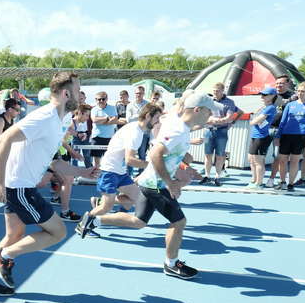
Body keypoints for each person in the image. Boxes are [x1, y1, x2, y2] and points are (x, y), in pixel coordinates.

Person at [0, 72, 96, 295]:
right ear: (66, 93)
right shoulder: (44, 117)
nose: (81, 95)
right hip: (19, 187)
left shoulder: (59, 121)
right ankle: (4, 256)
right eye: (78, 90)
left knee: (13, 236)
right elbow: (4, 139)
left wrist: (83, 171)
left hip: (20, 185)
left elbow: (55, 162)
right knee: (58, 232)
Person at [77, 93, 219, 279]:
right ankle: (171, 264)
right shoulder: (177, 129)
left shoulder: (179, 123)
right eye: (209, 111)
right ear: (197, 110)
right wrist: (171, 183)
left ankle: (95, 220)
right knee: (179, 222)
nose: (211, 114)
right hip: (155, 185)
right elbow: (155, 154)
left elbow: (179, 111)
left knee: (139, 222)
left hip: (149, 182)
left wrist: (185, 164)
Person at [81, 103, 162, 230]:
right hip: (109, 171)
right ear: (148, 116)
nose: (158, 122)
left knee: (137, 198)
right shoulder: (135, 132)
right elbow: (130, 160)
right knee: (106, 207)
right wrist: (152, 165)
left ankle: (100, 202)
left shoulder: (138, 130)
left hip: (119, 171)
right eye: (156, 118)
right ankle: (84, 224)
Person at [275, 82, 305, 191]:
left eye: (303, 91)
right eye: (298, 91)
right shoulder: (290, 105)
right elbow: (282, 122)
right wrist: (278, 136)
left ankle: (290, 184)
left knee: (294, 160)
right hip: (286, 135)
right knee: (282, 160)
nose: (300, 93)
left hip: (301, 136)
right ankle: (282, 182)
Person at [200, 82, 242, 186]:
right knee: (207, 154)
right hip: (208, 130)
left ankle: (217, 177)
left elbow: (229, 117)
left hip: (221, 131)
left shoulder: (229, 102)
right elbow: (203, 115)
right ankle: (207, 176)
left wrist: (231, 122)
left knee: (220, 155)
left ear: (223, 91)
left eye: (217, 91)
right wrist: (212, 120)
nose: (215, 93)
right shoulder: (208, 101)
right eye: (214, 91)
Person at [266, 75, 297, 187]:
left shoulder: (294, 96)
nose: (278, 85)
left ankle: (272, 179)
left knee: (278, 156)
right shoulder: (271, 94)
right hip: (266, 128)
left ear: (287, 84)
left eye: (281, 83)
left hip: (281, 131)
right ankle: (257, 179)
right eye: (277, 83)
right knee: (258, 154)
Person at [247, 87, 278, 189]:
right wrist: (254, 119)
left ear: (272, 96)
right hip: (255, 135)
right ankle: (254, 180)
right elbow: (253, 118)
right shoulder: (263, 108)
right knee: (251, 159)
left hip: (262, 136)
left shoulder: (271, 108)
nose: (262, 96)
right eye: (262, 94)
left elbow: (254, 121)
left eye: (265, 95)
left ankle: (259, 183)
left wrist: (254, 119)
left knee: (258, 161)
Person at [90, 90, 120, 170]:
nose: (101, 101)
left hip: (109, 137)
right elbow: (94, 120)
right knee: (97, 162)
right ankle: (97, 175)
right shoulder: (94, 109)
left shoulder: (112, 108)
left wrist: (101, 121)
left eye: (103, 99)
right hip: (97, 137)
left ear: (107, 99)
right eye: (99, 99)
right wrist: (107, 118)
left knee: (109, 160)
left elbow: (115, 119)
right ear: (96, 100)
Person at [125, 85, 150, 171]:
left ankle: (141, 174)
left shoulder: (148, 105)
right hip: (132, 133)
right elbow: (128, 119)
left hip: (144, 133)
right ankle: (128, 174)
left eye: (140, 93)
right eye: (137, 93)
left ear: (143, 94)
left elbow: (148, 118)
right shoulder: (130, 105)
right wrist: (141, 115)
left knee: (142, 155)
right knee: (130, 155)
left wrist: (136, 116)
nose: (138, 95)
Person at [70, 104, 93, 168]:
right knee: (74, 157)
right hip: (54, 154)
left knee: (86, 156)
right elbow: (62, 142)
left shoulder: (74, 124)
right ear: (80, 113)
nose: (88, 118)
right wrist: (74, 153)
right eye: (87, 115)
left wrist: (80, 135)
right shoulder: (71, 123)